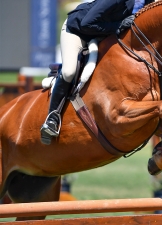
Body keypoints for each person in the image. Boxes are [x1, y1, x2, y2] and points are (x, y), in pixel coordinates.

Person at [40, 0, 155, 145]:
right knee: (69, 71)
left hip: (102, 35)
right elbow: (87, 23)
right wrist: (118, 26)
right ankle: (52, 118)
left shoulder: (148, 3)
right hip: (78, 31)